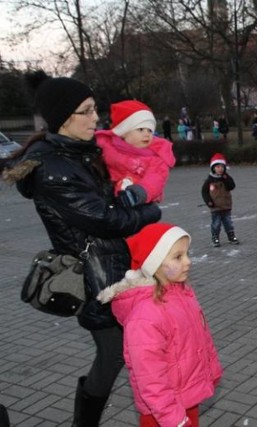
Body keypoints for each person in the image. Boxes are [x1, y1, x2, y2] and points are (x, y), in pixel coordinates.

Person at [2, 76, 161, 426]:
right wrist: (151, 210)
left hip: (112, 267)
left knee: (120, 352)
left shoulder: (78, 153)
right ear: (62, 118)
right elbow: (106, 220)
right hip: (96, 278)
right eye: (86, 112)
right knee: (114, 353)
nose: (95, 120)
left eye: (95, 111)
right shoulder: (55, 169)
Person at [97, 223, 223, 427]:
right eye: (178, 257)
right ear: (153, 264)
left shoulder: (182, 294)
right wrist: (174, 419)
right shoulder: (145, 316)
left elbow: (201, 338)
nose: (188, 262)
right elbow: (150, 378)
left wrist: (212, 371)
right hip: (162, 414)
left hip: (187, 395)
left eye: (187, 254)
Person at [95, 100, 176, 207]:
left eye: (150, 130)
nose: (146, 134)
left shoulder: (156, 158)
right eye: (141, 129)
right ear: (123, 131)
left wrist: (140, 193)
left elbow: (155, 179)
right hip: (108, 198)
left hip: (137, 200)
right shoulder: (107, 145)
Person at [201, 153, 239, 247]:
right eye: (217, 167)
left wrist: (226, 178)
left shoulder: (226, 178)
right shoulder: (209, 180)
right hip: (215, 207)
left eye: (222, 167)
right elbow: (204, 192)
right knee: (216, 224)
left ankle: (231, 236)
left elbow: (232, 186)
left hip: (226, 206)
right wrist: (209, 202)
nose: (220, 169)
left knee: (228, 223)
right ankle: (215, 237)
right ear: (213, 168)